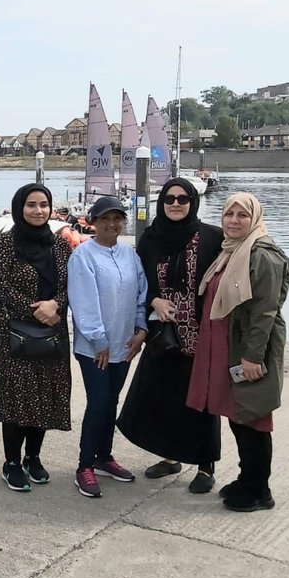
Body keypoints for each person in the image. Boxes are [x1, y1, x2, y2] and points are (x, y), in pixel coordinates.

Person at [118, 177, 224, 493]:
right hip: (163, 332)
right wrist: (154, 299)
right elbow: (141, 281)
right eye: (169, 199)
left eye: (182, 198)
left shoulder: (212, 238)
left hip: (200, 333)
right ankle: (170, 457)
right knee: (163, 396)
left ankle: (205, 466)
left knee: (200, 402)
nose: (175, 204)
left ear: (193, 202)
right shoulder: (151, 239)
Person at [189, 192, 289, 512]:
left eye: (241, 215)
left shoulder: (262, 254)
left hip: (248, 349)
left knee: (254, 419)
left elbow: (265, 312)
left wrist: (253, 357)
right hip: (227, 346)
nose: (233, 221)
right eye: (228, 214)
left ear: (254, 218)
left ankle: (260, 489)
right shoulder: (231, 251)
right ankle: (248, 478)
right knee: (238, 415)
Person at [0, 183, 73, 493]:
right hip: (12, 330)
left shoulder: (60, 246)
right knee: (17, 394)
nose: (38, 211)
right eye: (31, 205)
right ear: (19, 208)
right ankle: (11, 462)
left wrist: (56, 305)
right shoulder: (6, 243)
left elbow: (69, 284)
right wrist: (34, 309)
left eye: (43, 205)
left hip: (52, 329)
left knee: (45, 391)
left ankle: (33, 457)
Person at [67, 195, 147, 498]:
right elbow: (83, 302)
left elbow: (141, 293)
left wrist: (141, 329)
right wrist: (98, 339)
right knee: (98, 402)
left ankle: (104, 456)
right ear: (93, 222)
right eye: (105, 219)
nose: (112, 224)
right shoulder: (83, 256)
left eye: (117, 219)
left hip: (124, 345)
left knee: (112, 401)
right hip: (94, 348)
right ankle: (84, 465)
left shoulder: (130, 255)